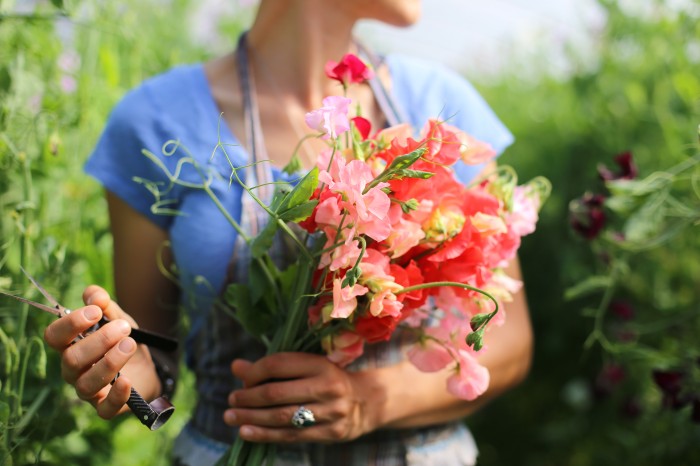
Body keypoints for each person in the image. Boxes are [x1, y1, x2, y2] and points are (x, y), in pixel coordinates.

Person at [43, 1, 533, 464]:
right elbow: (156, 376)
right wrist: (131, 383)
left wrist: (369, 402)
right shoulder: (153, 122)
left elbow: (511, 345)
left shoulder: (439, 110)